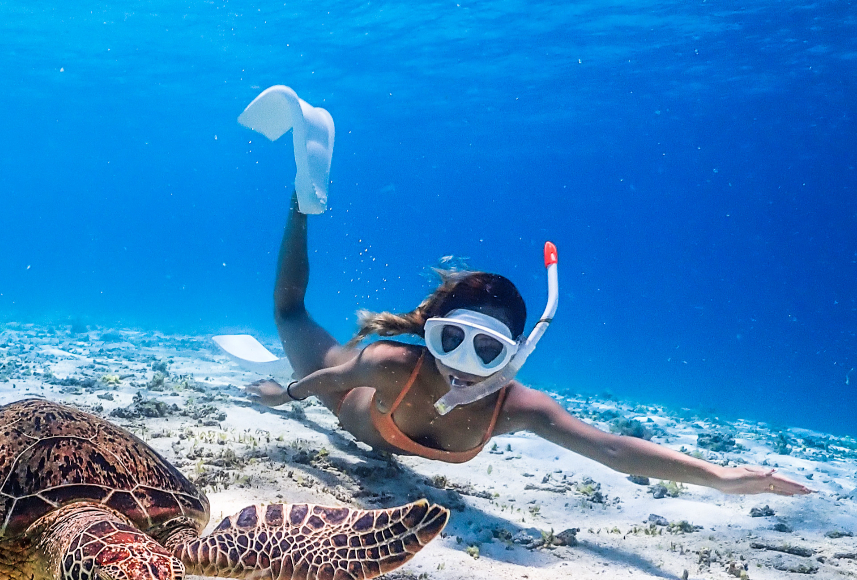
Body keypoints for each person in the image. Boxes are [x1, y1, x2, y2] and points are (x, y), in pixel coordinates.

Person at [244, 196, 809, 497]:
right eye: (451, 342)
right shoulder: (394, 363)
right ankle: (301, 200)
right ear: (431, 333)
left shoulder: (517, 408)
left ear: (513, 355)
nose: (462, 369)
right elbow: (331, 383)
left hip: (367, 402)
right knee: (289, 312)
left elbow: (610, 449)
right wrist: (286, 392)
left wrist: (719, 476)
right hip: (345, 397)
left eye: (486, 352)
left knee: (294, 319)